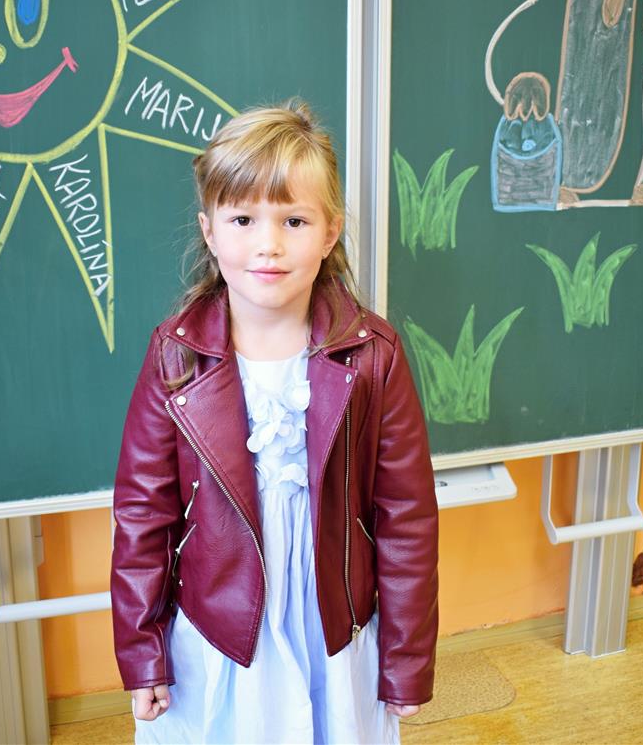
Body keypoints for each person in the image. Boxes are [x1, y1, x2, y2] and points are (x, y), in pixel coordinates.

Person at [111, 100, 439, 744]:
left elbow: (406, 518)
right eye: (242, 219)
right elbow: (143, 515)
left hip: (334, 626)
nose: (268, 244)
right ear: (209, 231)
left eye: (294, 220)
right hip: (220, 629)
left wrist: (405, 661)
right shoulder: (175, 356)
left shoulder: (373, 355)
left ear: (330, 232)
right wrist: (143, 652)